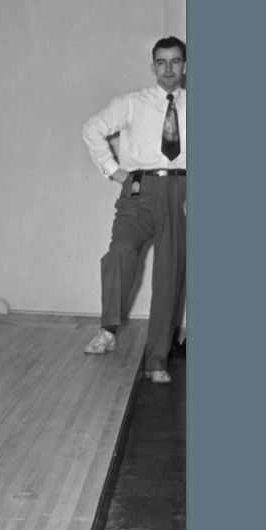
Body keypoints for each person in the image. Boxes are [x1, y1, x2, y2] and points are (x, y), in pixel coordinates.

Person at [80, 37, 187, 383]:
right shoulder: (131, 103)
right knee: (121, 252)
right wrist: (114, 171)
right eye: (161, 62)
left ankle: (157, 361)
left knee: (169, 276)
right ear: (152, 66)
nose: (168, 69)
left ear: (184, 66)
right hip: (139, 190)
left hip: (180, 191)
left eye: (175, 62)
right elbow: (92, 128)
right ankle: (108, 328)